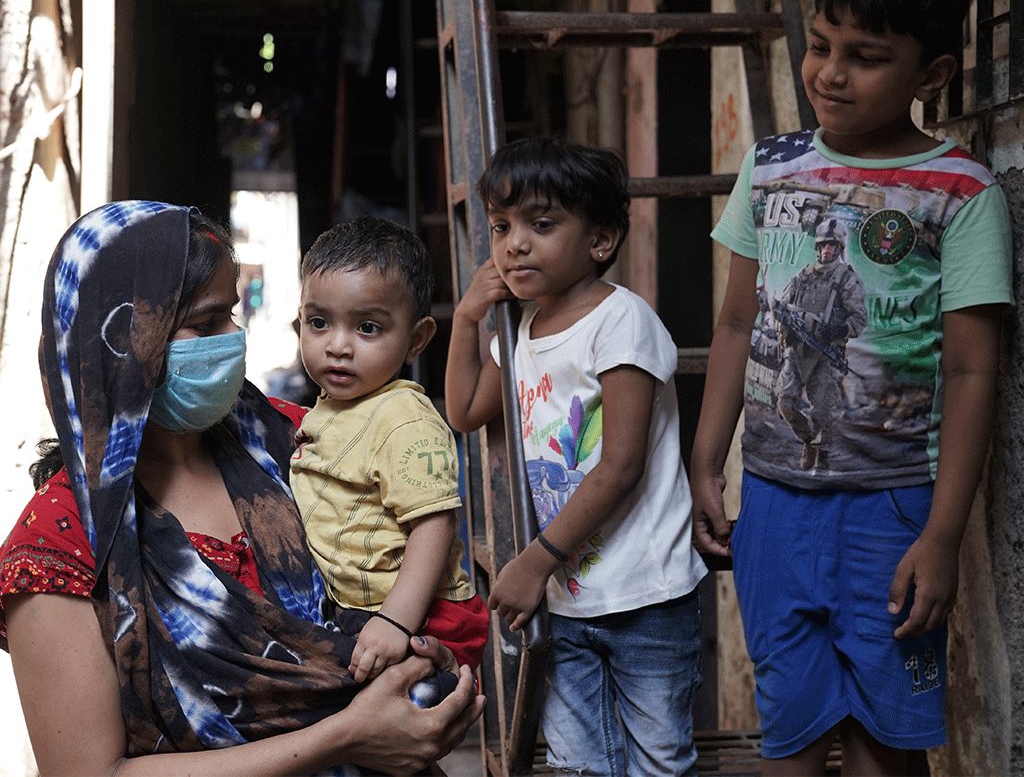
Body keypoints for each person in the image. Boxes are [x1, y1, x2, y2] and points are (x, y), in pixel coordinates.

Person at [0, 200, 484, 775]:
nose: (233, 338)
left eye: (231, 314)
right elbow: (88, 772)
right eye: (205, 325)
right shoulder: (59, 546)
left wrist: (426, 684)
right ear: (123, 339)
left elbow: (411, 571)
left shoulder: (296, 441)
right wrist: (346, 737)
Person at [691, 0, 1014, 775]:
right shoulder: (770, 170)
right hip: (771, 502)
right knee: (789, 736)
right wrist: (705, 463)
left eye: (866, 58)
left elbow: (976, 369)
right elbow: (734, 326)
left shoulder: (964, 192)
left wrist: (942, 535)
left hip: (894, 512)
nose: (830, 73)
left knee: (886, 743)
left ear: (933, 75)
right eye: (821, 47)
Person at [445, 137, 708, 775]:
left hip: (645, 592)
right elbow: (464, 412)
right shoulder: (520, 332)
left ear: (600, 240)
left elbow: (621, 465)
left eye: (542, 224)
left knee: (659, 759)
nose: (514, 245)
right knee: (579, 764)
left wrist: (535, 561)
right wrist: (466, 317)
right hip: (567, 595)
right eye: (502, 227)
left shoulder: (622, 321)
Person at [290, 217, 489, 682]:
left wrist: (396, 620)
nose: (338, 346)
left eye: (367, 328)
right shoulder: (338, 404)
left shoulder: (404, 417)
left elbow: (433, 524)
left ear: (416, 340)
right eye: (318, 323)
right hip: (362, 606)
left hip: (419, 614)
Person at [773, 216, 867, 470]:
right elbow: (781, 309)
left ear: (840, 248)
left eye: (832, 246)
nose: (827, 250)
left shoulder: (846, 278)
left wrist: (838, 328)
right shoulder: (803, 276)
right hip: (798, 350)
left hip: (827, 354)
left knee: (824, 409)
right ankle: (808, 438)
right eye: (824, 245)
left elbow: (859, 318)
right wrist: (786, 332)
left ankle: (821, 454)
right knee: (784, 401)